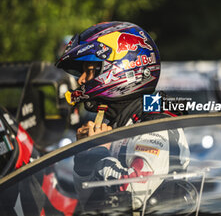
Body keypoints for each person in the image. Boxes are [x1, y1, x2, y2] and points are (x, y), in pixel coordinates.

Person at [55, 21, 190, 213]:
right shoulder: (122, 123)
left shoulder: (157, 122)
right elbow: (90, 203)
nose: (82, 80)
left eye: (90, 70)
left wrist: (97, 153)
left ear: (121, 67)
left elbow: (131, 193)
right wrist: (85, 161)